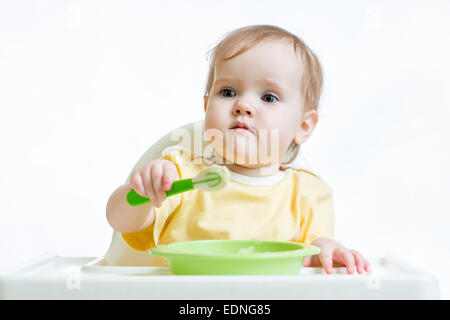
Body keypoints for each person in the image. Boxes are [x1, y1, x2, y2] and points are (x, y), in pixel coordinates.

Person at [106, 25, 370, 274]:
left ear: (303, 125)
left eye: (269, 97)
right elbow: (121, 221)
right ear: (207, 105)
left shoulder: (309, 195)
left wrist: (326, 250)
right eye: (228, 92)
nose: (243, 105)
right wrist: (140, 191)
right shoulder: (181, 174)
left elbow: (314, 262)